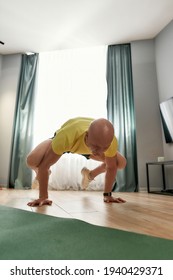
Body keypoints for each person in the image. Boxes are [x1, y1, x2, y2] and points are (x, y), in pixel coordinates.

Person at [26, 117, 127, 207]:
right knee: (32, 160)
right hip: (69, 141)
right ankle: (40, 174)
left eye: (104, 148)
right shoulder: (65, 137)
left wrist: (107, 195)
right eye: (96, 147)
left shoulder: (110, 141)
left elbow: (111, 167)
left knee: (121, 163)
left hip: (88, 148)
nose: (100, 152)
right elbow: (45, 165)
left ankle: (90, 175)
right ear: (87, 136)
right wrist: (43, 197)